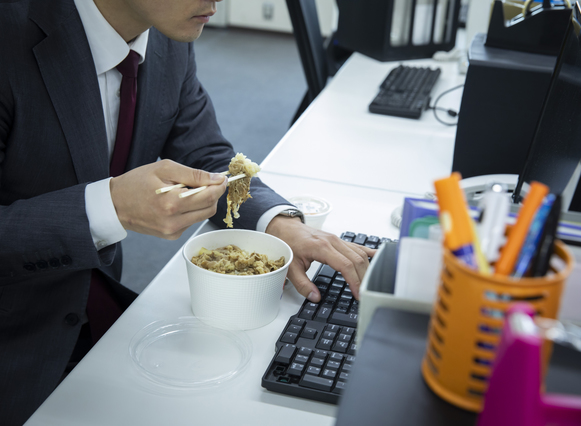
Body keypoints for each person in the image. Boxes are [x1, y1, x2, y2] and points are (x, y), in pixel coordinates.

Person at [0, 0, 376, 424]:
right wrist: (111, 207)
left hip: (98, 314)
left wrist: (279, 222)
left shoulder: (166, 33)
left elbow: (205, 153)